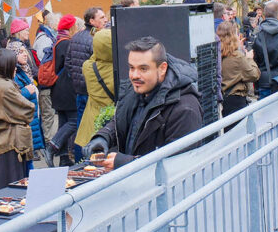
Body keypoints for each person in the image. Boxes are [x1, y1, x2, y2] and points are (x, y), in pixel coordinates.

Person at [85, 37, 203, 170]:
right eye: (131, 68)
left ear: (162, 68)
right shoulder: (136, 90)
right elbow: (121, 120)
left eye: (143, 69)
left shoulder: (185, 109)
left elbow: (178, 166)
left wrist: (124, 163)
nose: (134, 75)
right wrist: (104, 136)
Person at [0, 49, 36, 190]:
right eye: (13, 65)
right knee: (13, 186)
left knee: (2, 183)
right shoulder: (5, 86)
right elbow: (27, 109)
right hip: (10, 142)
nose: (15, 69)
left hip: (1, 139)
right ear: (5, 67)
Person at [67, 7, 108, 154]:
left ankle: (79, 158)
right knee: (95, 128)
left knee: (81, 129)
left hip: (79, 90)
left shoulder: (75, 37)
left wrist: (76, 81)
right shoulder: (97, 39)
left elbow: (68, 64)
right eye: (101, 17)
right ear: (92, 21)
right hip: (94, 92)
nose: (105, 20)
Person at [76, 29, 115, 148]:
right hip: (112, 121)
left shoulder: (88, 67)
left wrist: (99, 48)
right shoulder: (118, 71)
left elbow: (94, 57)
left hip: (92, 120)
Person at [47, 15, 78, 165]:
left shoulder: (57, 41)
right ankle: (52, 145)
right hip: (66, 88)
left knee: (64, 121)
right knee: (74, 121)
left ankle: (64, 158)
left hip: (57, 88)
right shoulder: (67, 43)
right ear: (71, 27)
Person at [217, 21, 259, 117]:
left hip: (224, 99)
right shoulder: (237, 56)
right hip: (236, 100)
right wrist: (249, 58)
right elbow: (254, 75)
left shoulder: (216, 55)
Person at [13, 47, 43, 166]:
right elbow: (13, 97)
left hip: (31, 117)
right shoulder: (14, 74)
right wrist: (27, 91)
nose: (25, 54)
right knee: (26, 162)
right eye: (20, 52)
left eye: (25, 51)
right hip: (24, 121)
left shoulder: (23, 70)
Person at [32, 11, 59, 142]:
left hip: (45, 82)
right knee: (48, 114)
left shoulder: (45, 36)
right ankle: (49, 142)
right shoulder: (45, 39)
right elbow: (45, 63)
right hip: (46, 82)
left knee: (49, 113)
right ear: (52, 24)